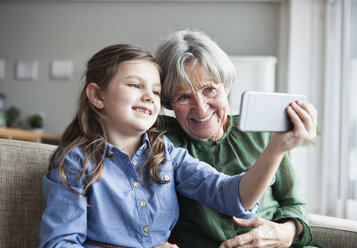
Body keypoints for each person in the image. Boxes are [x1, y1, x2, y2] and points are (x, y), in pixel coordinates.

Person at [39, 44, 308, 248]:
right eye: (135, 85)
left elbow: (233, 196)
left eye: (155, 91)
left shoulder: (167, 154)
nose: (148, 96)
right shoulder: (76, 163)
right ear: (98, 96)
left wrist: (276, 148)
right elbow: (59, 243)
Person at [155, 30, 318, 248]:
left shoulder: (264, 133)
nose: (201, 108)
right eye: (184, 97)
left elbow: (293, 202)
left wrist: (285, 232)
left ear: (227, 87)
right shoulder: (161, 145)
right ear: (167, 103)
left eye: (210, 89)